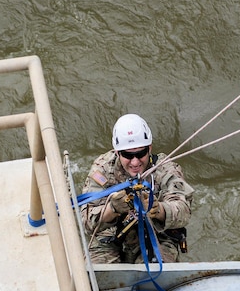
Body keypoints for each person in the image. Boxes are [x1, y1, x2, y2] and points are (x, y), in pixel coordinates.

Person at [81, 113, 194, 264]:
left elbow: (184, 212)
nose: (135, 162)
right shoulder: (103, 170)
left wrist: (159, 209)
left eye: (140, 153)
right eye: (128, 155)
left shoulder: (166, 169)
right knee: (100, 276)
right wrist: (112, 209)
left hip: (156, 234)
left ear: (149, 148)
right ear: (117, 152)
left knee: (160, 273)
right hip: (109, 235)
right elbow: (87, 223)